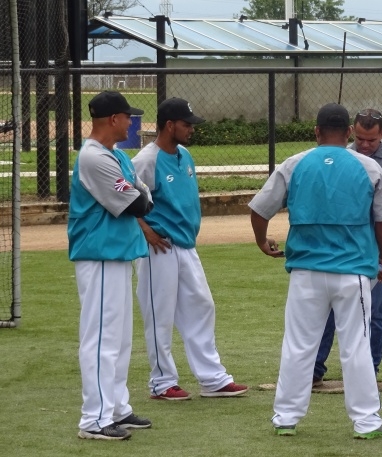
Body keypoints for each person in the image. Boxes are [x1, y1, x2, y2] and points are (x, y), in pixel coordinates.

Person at [249, 103, 382, 439]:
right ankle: (367, 422)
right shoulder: (368, 166)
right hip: (353, 272)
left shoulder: (294, 163)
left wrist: (262, 241)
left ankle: (286, 418)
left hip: (306, 271)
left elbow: (260, 210)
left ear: (316, 131)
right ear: (348, 132)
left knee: (298, 345)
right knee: (356, 346)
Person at [132, 98, 249, 401]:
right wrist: (145, 231)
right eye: (187, 124)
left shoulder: (185, 154)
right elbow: (125, 201)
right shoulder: (147, 160)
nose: (192, 129)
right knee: (159, 315)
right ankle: (162, 383)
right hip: (159, 248)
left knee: (201, 307)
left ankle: (212, 379)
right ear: (169, 125)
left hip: (185, 245)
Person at [69, 91, 154, 441]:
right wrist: (140, 194)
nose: (132, 122)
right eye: (128, 117)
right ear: (113, 119)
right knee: (101, 338)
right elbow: (138, 204)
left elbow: (144, 193)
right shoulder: (92, 157)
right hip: (99, 254)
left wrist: (140, 193)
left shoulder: (116, 155)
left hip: (118, 253)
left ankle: (117, 407)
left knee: (119, 339)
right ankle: (94, 419)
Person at [313, 108, 382, 386]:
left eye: (371, 140)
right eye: (360, 139)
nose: (365, 145)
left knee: (375, 307)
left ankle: (369, 368)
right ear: (351, 133)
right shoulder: (342, 155)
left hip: (377, 238)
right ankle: (315, 369)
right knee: (330, 305)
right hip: (344, 238)